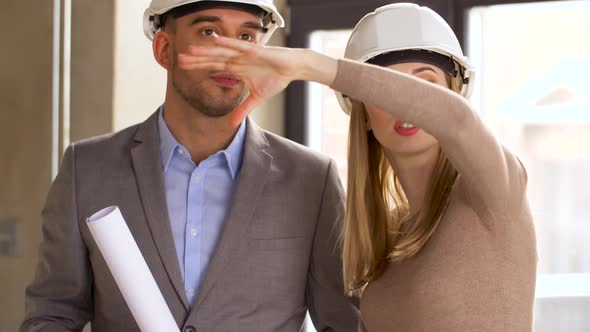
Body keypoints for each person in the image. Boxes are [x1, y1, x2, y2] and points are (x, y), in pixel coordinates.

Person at [177, 2, 538, 330]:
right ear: (363, 114)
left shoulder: (494, 196)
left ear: (453, 93)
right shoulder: (389, 244)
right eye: (387, 90)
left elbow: (457, 121)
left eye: (423, 83)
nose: (405, 105)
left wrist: (308, 64)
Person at [21, 1, 362, 331]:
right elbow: (52, 315)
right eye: (210, 32)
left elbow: (344, 323)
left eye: (246, 37)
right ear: (163, 49)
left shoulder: (312, 179)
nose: (231, 55)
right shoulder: (88, 169)